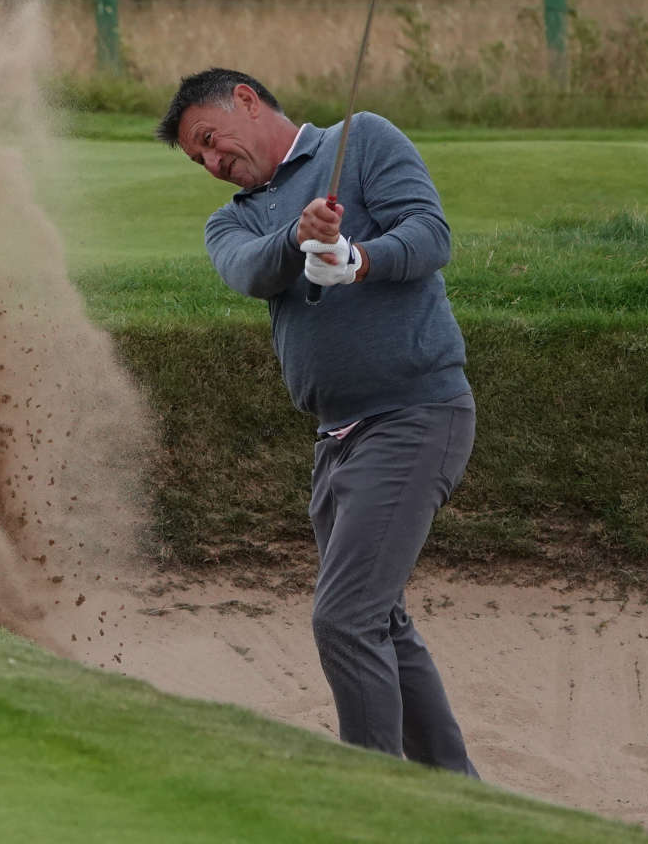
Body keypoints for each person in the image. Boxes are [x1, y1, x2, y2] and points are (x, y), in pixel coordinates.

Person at [156, 67, 479, 776]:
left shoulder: (359, 141)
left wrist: (360, 258)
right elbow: (248, 270)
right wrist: (300, 239)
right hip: (337, 437)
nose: (212, 164)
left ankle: (369, 804)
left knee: (345, 619)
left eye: (210, 140)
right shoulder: (233, 218)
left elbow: (430, 235)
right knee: (382, 620)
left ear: (245, 100)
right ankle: (460, 798)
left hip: (414, 413)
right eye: (198, 159)